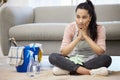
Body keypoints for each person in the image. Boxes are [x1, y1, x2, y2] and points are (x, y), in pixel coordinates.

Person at [49, 0, 112, 76]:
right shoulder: (70, 27)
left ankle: (70, 70)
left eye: (84, 17)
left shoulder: (99, 28)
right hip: (73, 60)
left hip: (91, 60)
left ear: (90, 17)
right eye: (78, 17)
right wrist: (79, 37)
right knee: (53, 57)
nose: (80, 21)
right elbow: (63, 52)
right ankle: (89, 72)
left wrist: (86, 36)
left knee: (106, 59)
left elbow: (100, 52)